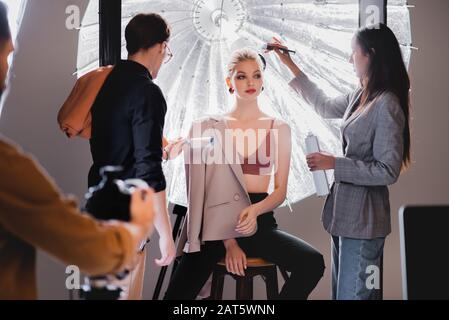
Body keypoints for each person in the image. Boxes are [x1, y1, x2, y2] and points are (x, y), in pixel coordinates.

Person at [0, 2, 155, 300]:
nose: (8, 71)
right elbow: (92, 249)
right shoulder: (7, 169)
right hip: (118, 207)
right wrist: (136, 229)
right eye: (7, 55)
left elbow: (71, 125)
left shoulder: (106, 77)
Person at [164, 48, 325, 300]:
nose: (250, 82)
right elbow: (201, 191)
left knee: (312, 263)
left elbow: (280, 191)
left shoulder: (278, 128)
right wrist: (229, 242)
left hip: (259, 224)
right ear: (230, 82)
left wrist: (255, 211)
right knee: (176, 298)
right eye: (241, 76)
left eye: (256, 76)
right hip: (215, 228)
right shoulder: (209, 126)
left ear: (262, 81)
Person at [270, 23, 411, 299]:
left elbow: (387, 171)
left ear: (369, 55)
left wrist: (334, 163)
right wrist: (289, 64)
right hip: (344, 217)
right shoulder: (360, 95)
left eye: (353, 53)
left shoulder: (387, 104)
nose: (350, 59)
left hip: (365, 220)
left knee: (354, 296)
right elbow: (323, 105)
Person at [87, 13, 176, 298]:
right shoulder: (148, 92)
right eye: (167, 51)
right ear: (161, 47)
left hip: (97, 205)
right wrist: (165, 234)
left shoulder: (104, 82)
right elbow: (149, 170)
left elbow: (117, 143)